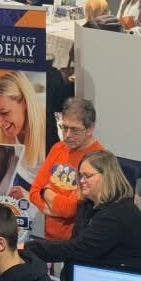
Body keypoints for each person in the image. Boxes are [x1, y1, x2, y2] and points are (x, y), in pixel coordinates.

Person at [26, 150, 141, 271]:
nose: (82, 181)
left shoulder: (119, 213)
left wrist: (27, 248)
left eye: (88, 176)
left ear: (107, 176)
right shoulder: (88, 205)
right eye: (80, 175)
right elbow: (75, 249)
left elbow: (78, 250)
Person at [30, 98, 104, 240]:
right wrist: (58, 207)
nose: (67, 135)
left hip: (75, 241)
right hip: (48, 238)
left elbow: (71, 209)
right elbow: (34, 192)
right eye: (64, 127)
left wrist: (46, 191)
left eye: (75, 130)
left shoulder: (99, 158)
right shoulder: (58, 148)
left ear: (90, 129)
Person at [0, 70, 46, 187]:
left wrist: (34, 195)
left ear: (25, 102)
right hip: (19, 179)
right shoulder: (3, 132)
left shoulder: (50, 126)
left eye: (4, 112)